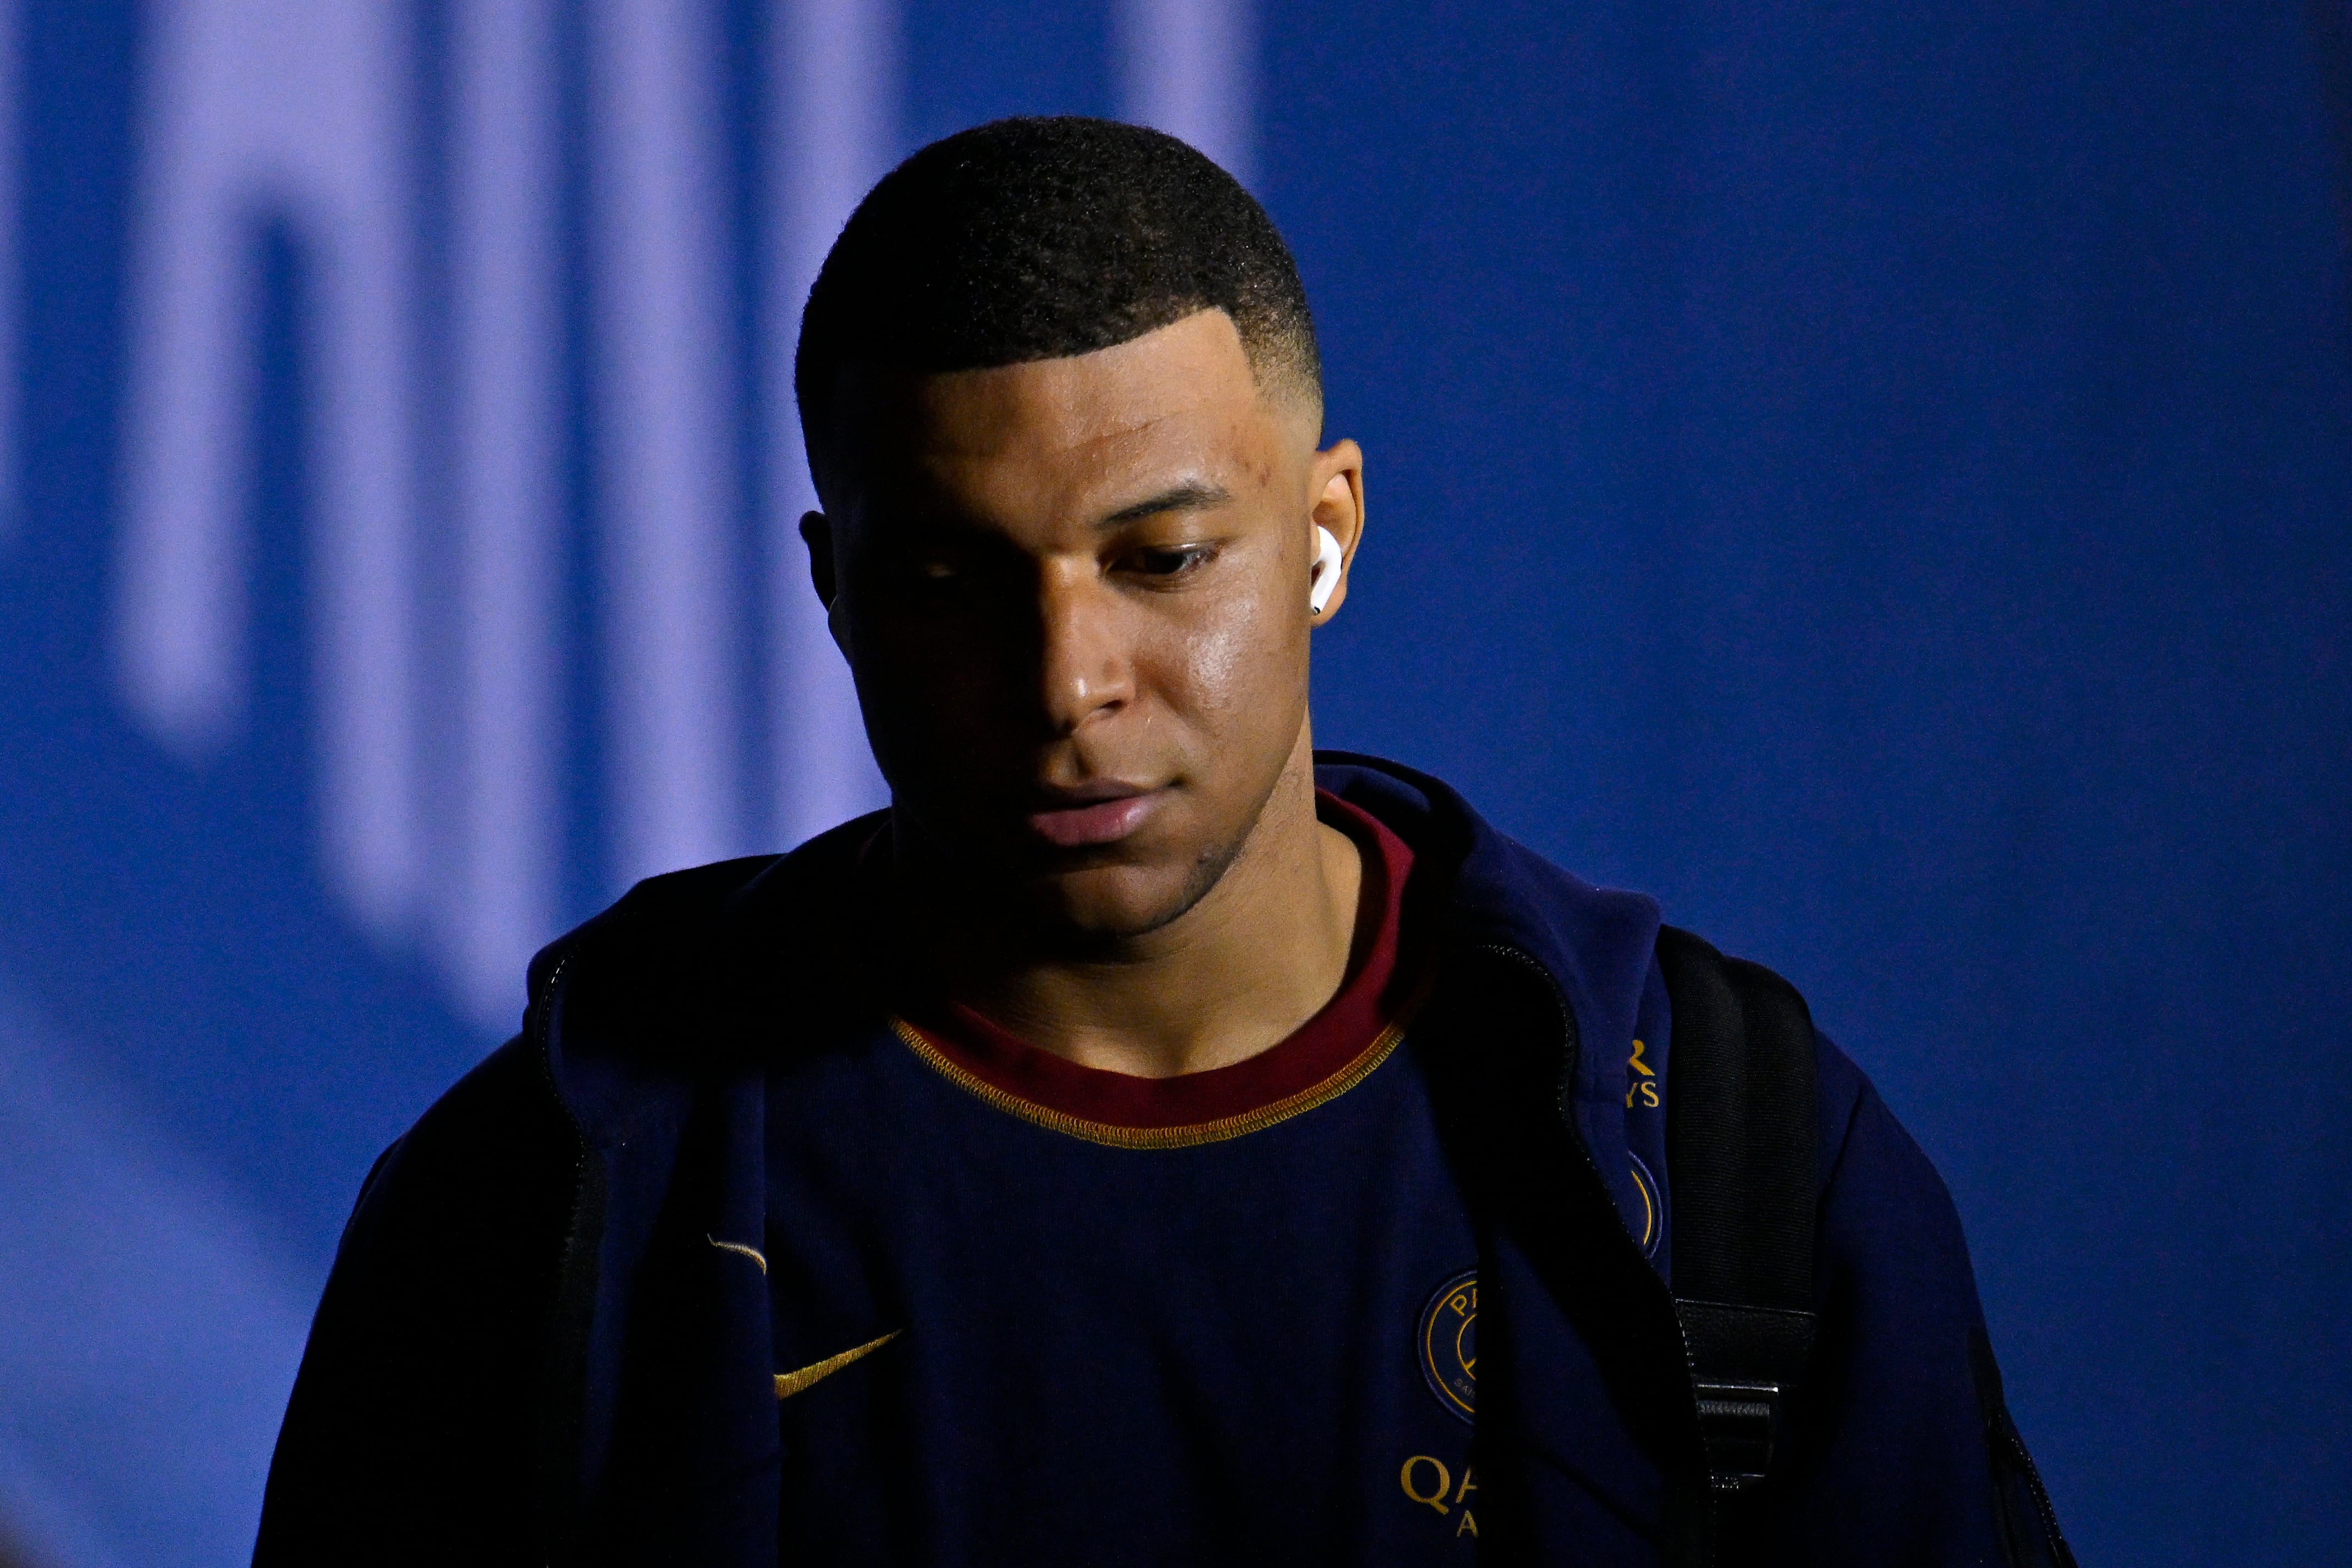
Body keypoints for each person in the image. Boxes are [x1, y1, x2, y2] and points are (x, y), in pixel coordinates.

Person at [253, 117, 2072, 1567]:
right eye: (953, 580)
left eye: (1162, 557)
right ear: (833, 595)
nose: (1068, 681)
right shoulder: (559, 1193)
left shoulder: (1733, 1168)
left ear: (1324, 531)